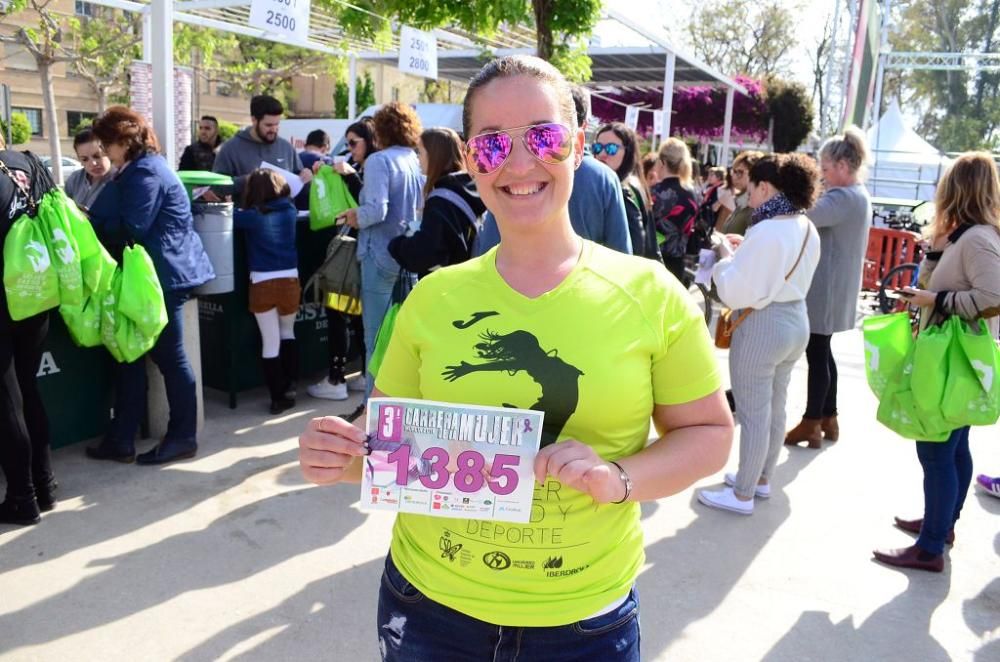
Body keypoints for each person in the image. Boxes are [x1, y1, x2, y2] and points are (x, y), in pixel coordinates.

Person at [298, 54, 733, 660]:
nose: (521, 161)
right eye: (494, 143)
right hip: (428, 611)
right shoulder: (433, 297)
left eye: (544, 136)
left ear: (577, 146)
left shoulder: (649, 294)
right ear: (472, 159)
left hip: (584, 623)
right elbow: (389, 437)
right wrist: (339, 453)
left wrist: (618, 479)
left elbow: (710, 432)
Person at [873, 152, 1000, 572]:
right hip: (952, 359)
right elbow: (935, 281)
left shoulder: (978, 238)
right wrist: (935, 251)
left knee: (936, 451)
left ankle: (930, 547)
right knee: (953, 446)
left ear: (955, 189)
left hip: (950, 359)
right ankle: (940, 526)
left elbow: (994, 299)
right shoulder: (967, 236)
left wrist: (937, 301)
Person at [86, 106, 215, 465]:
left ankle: (182, 437)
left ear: (123, 141)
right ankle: (122, 438)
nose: (105, 151)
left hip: (163, 277)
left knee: (169, 358)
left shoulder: (145, 172)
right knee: (131, 356)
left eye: (107, 143)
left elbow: (132, 226)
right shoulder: (143, 168)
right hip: (151, 276)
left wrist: (88, 224)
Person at [698, 154, 821, 515]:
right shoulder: (804, 225)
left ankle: (742, 493)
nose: (748, 198)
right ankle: (761, 479)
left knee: (753, 413)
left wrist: (723, 258)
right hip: (797, 318)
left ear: (766, 188)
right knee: (775, 406)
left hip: (763, 325)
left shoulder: (767, 229)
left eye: (751, 190)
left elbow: (736, 291)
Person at [785, 127, 872, 448]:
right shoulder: (858, 194)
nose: (821, 175)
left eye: (824, 168)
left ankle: (811, 422)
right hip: (836, 287)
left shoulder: (842, 198)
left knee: (817, 353)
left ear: (842, 166)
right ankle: (827, 418)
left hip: (827, 288)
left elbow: (803, 214)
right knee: (823, 351)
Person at [475, 85, 632, 255]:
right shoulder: (604, 177)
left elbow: (487, 248)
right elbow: (620, 249)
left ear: (578, 142)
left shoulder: (506, 178)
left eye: (545, 135)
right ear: (585, 125)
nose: (520, 167)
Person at [335, 102, 424, 394]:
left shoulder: (379, 161)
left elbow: (375, 211)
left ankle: (374, 412)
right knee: (403, 338)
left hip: (379, 255)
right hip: (407, 256)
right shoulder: (413, 159)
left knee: (375, 339)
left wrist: (353, 216)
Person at [0, 141, 57, 526]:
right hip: (37, 292)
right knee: (28, 388)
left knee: (6, 400)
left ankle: (22, 498)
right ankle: (45, 483)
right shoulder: (29, 163)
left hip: (3, 301)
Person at [307, 118, 376, 401]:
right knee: (353, 313)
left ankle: (337, 378)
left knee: (340, 311)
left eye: (353, 143)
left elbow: (370, 205)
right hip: (354, 248)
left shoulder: (372, 168)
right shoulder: (362, 164)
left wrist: (349, 175)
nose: (349, 149)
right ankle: (358, 374)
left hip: (354, 249)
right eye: (346, 143)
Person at [233, 169, 300, 415]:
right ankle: (291, 387)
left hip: (262, 282)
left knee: (270, 343)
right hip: (290, 279)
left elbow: (226, 218)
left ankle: (277, 397)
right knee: (288, 333)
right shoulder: (291, 211)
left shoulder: (252, 216)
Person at [387, 127, 486, 278]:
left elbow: (425, 254)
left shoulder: (441, 200)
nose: (417, 158)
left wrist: (398, 245)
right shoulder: (471, 188)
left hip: (447, 287)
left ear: (434, 155)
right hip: (469, 279)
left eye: (419, 152)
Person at [213, 95, 313, 198]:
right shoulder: (230, 148)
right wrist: (248, 181)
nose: (274, 129)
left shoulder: (286, 147)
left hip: (285, 212)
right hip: (248, 212)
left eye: (277, 124)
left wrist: (306, 178)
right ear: (254, 120)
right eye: (268, 125)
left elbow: (302, 188)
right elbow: (217, 186)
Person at [593, 122, 660, 261]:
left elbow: (635, 247)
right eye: (597, 148)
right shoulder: (634, 182)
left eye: (611, 148)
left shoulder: (623, 189)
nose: (602, 154)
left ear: (627, 151)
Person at [651, 137, 700, 282]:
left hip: (653, 262)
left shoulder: (654, 193)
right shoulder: (692, 194)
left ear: (662, 162)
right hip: (679, 263)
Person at [64, 129, 114, 211]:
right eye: (85, 159)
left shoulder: (119, 179)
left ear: (108, 152)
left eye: (97, 156)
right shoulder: (74, 179)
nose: (93, 163)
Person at [721, 151, 763, 236]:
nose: (734, 176)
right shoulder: (740, 202)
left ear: (754, 174)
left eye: (740, 172)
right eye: (734, 171)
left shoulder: (755, 208)